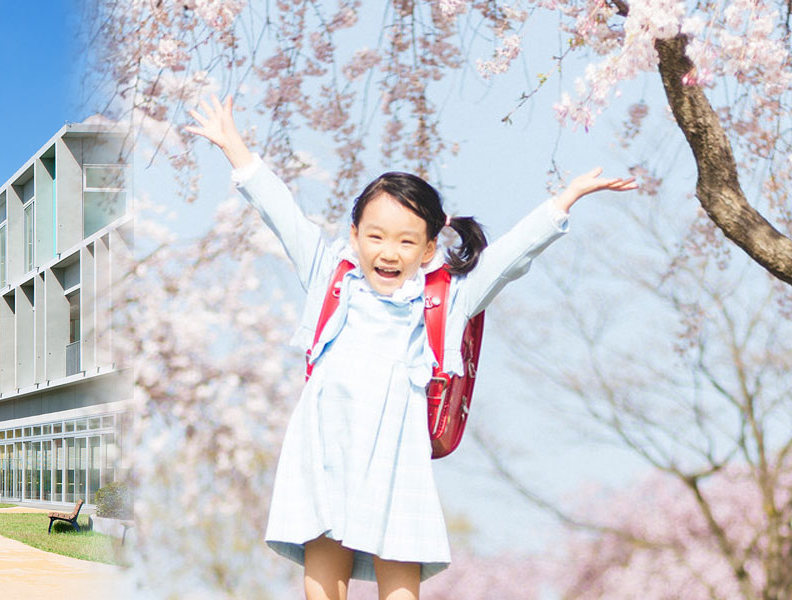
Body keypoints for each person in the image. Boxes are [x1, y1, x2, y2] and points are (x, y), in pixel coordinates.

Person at [185, 94, 637, 600]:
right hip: (324, 449)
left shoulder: (444, 298)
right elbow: (280, 212)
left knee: (399, 582)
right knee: (321, 577)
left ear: (427, 249)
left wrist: (562, 201)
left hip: (396, 454)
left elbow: (508, 258)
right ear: (354, 236)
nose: (388, 251)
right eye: (376, 236)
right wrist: (238, 152)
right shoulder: (330, 278)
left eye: (405, 241)